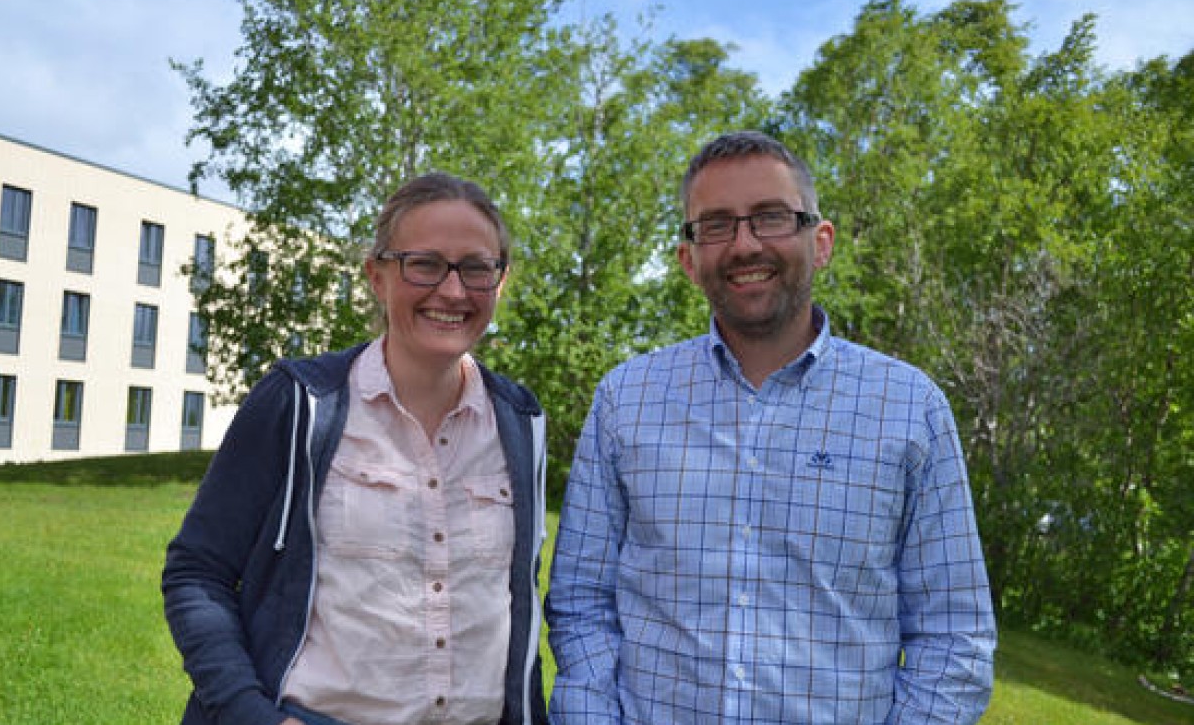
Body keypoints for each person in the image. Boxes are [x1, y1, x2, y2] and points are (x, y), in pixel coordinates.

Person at [546, 131, 996, 724]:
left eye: (771, 218)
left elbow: (954, 635)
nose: (745, 244)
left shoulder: (911, 409)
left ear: (822, 241)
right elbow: (581, 604)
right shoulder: (626, 400)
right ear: (688, 258)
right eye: (716, 225)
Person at [163, 172, 549, 725]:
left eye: (476, 267)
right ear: (376, 276)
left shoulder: (521, 420)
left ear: (500, 280)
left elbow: (518, 604)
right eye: (424, 263)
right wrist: (250, 714)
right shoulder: (301, 401)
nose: (452, 290)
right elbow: (197, 573)